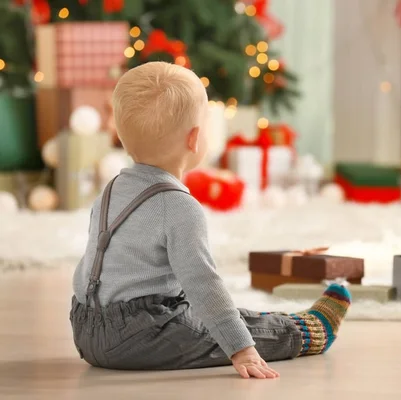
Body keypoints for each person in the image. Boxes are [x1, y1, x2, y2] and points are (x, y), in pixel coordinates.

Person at [70, 61, 352, 379]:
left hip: (85, 325)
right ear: (194, 140)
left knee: (222, 316)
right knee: (213, 330)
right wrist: (241, 350)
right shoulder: (177, 205)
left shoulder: (112, 188)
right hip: (137, 335)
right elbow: (203, 285)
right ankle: (306, 332)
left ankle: (282, 321)